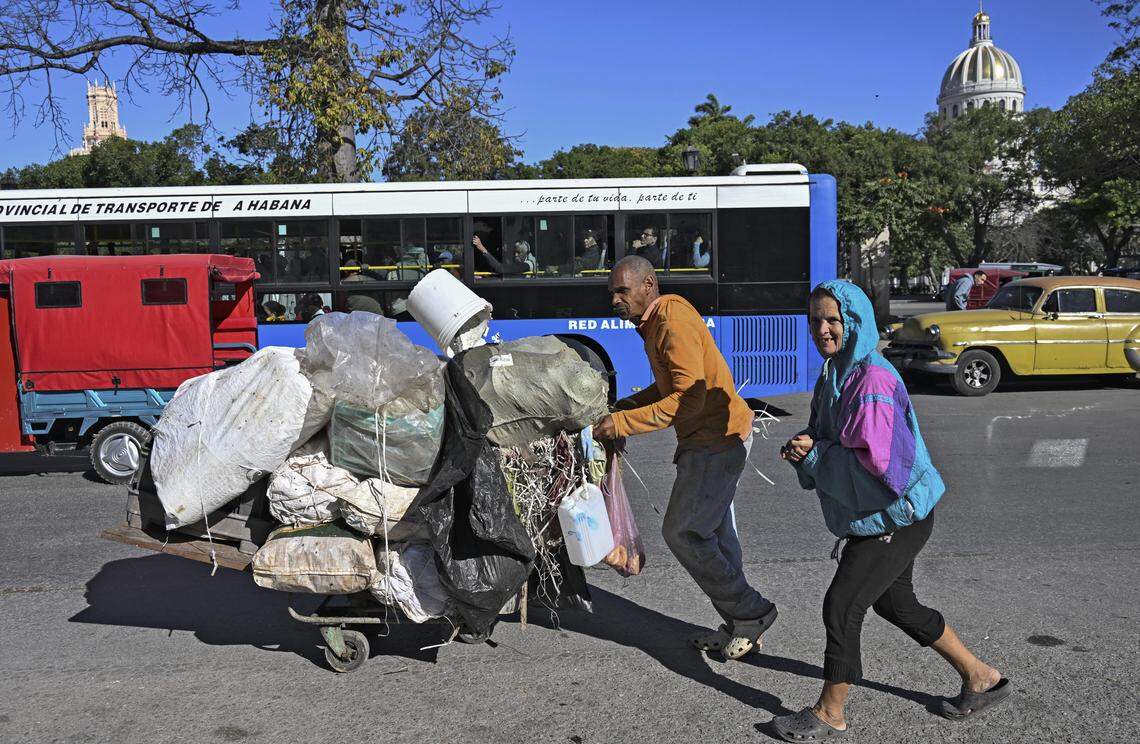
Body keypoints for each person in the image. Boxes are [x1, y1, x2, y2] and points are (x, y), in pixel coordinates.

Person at [770, 280, 1009, 741]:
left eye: (833, 320)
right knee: (898, 604)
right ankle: (982, 678)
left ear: (854, 322)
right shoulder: (836, 370)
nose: (822, 329)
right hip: (884, 514)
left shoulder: (872, 379)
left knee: (842, 604)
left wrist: (815, 457)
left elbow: (882, 473)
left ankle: (829, 712)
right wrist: (807, 446)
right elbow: (834, 436)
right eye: (816, 319)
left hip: (897, 515)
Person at [592, 255, 778, 659]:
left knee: (684, 532)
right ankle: (740, 624)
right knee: (714, 536)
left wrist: (622, 425)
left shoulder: (671, 322)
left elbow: (687, 402)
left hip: (716, 441)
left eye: (622, 291)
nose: (615, 301)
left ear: (648, 285)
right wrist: (624, 407)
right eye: (612, 293)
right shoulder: (655, 323)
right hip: (713, 438)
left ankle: (752, 612)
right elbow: (668, 388)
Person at [472, 235, 537, 275]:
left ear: (526, 252)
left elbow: (501, 269)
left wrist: (482, 249)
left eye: (519, 252)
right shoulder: (520, 260)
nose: (516, 255)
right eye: (514, 252)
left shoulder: (529, 264)